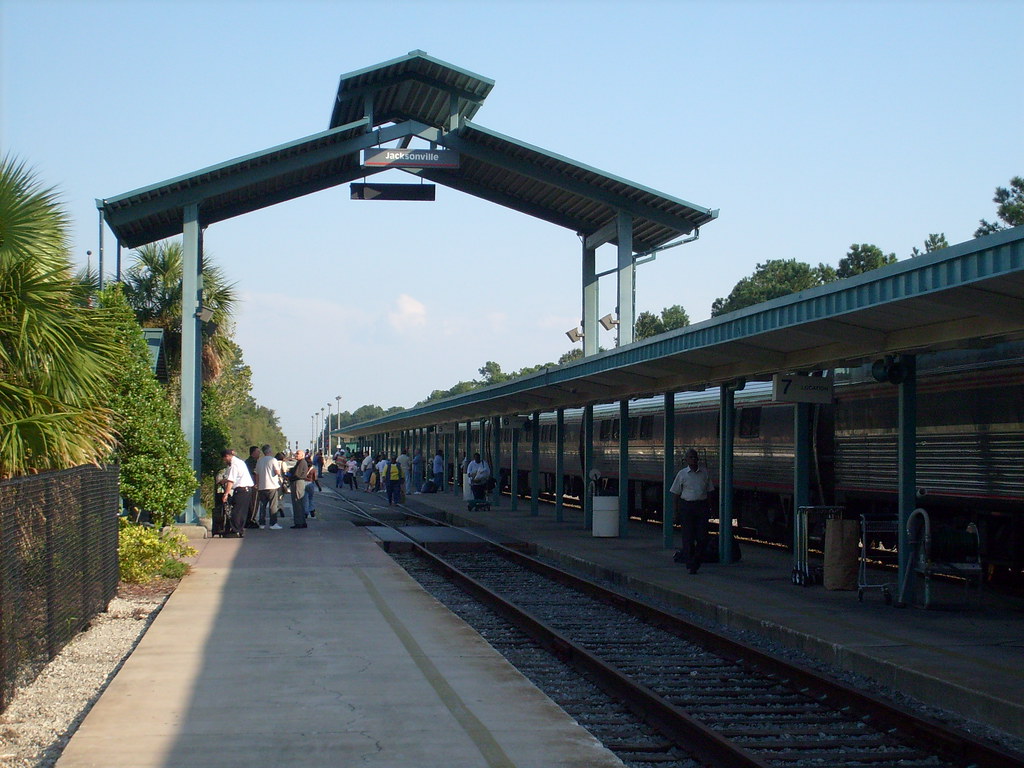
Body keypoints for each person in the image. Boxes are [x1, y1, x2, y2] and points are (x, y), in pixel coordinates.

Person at [668, 448, 715, 574]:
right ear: (686, 460)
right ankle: (691, 564)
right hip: (687, 507)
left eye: (695, 457)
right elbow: (676, 494)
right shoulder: (682, 474)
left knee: (702, 537)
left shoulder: (705, 473)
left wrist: (711, 509)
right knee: (688, 538)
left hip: (701, 506)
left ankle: (696, 560)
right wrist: (675, 512)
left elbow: (710, 491)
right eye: (691, 457)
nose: (693, 460)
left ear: (698, 459)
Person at [220, 449, 256, 538]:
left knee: (236, 511)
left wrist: (226, 494)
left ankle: (235, 530)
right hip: (247, 489)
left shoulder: (234, 465)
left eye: (224, 459)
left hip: (241, 490)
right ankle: (239, 529)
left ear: (227, 456)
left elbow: (231, 481)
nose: (224, 461)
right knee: (242, 511)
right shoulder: (240, 462)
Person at [255, 444, 283, 529]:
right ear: (270, 451)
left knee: (262, 505)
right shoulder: (273, 460)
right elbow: (277, 472)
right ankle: (273, 523)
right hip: (272, 485)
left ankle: (262, 523)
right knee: (273, 505)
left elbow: (257, 474)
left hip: (262, 486)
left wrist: (257, 484)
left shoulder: (259, 461)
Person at [289, 449, 309, 528]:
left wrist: (289, 478)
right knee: (299, 502)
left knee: (297, 502)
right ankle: (302, 521)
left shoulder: (302, 462)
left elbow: (297, 474)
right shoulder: (300, 462)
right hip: (298, 482)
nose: (296, 455)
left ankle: (298, 522)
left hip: (298, 482)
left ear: (302, 455)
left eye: (298, 454)